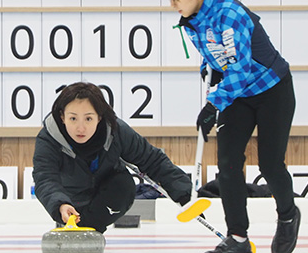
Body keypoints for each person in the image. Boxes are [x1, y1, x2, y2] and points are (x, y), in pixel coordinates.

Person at [161, 0, 300, 253]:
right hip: (238, 94)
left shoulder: (230, 13)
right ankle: (237, 238)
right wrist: (206, 68)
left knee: (270, 164)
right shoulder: (193, 19)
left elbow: (241, 67)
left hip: (271, 90)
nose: (172, 5)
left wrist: (213, 103)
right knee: (227, 163)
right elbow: (215, 56)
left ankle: (288, 215)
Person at [32, 82, 192, 233]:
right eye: (73, 118)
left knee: (123, 185)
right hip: (70, 197)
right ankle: (70, 220)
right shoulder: (49, 138)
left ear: (99, 117)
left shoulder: (116, 131)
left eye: (88, 118)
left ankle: (90, 227)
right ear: (62, 117)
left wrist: (184, 193)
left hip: (107, 194)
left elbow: (152, 160)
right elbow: (45, 179)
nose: (80, 128)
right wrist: (60, 204)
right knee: (64, 202)